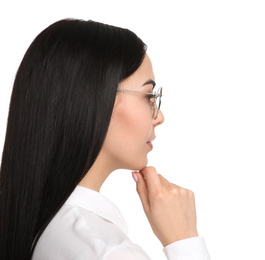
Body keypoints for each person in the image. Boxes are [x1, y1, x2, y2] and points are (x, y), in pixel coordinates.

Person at [0, 19, 210, 260]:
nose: (159, 116)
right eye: (149, 96)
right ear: (93, 100)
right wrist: (184, 241)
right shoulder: (109, 252)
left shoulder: (38, 225)